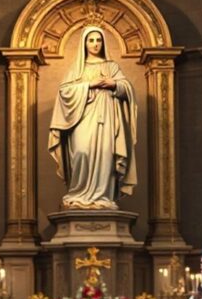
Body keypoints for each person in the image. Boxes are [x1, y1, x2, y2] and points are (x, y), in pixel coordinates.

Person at [48, 25, 138, 210]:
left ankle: (103, 197)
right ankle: (78, 194)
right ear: (84, 43)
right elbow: (64, 92)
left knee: (105, 155)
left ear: (103, 43)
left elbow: (127, 89)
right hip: (81, 119)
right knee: (82, 152)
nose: (95, 44)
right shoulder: (77, 69)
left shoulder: (111, 66)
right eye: (91, 40)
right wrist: (88, 85)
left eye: (98, 40)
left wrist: (114, 84)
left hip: (106, 119)